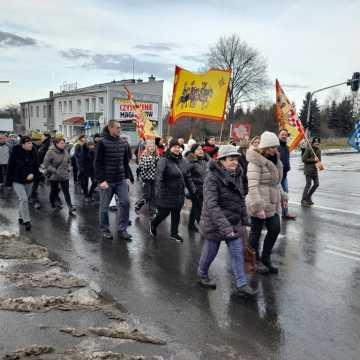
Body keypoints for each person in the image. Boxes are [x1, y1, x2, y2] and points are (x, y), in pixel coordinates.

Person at [197, 145, 257, 297]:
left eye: (236, 159)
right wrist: (226, 227)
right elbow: (212, 205)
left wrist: (245, 219)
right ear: (221, 161)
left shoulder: (238, 173)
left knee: (237, 253)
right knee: (210, 253)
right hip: (214, 224)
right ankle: (202, 274)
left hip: (233, 222)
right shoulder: (211, 177)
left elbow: (240, 199)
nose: (235, 162)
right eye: (231, 159)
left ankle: (241, 285)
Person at [246, 131, 287, 274]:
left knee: (275, 229)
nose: (275, 150)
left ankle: (265, 258)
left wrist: (283, 197)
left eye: (276, 147)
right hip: (259, 201)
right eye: (272, 147)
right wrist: (258, 207)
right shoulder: (255, 162)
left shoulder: (276, 160)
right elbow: (252, 186)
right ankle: (253, 261)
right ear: (264, 147)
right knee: (255, 233)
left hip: (273, 201)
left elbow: (276, 183)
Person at [150, 139, 196, 242]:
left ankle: (174, 234)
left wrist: (193, 190)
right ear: (169, 148)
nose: (177, 149)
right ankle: (154, 223)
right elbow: (159, 178)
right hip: (166, 193)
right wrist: (158, 193)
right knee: (163, 214)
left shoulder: (182, 161)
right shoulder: (163, 160)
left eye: (178, 147)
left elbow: (187, 177)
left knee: (176, 213)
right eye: (174, 147)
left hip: (179, 193)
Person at [95, 120, 133, 241]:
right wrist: (101, 180)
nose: (119, 130)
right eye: (117, 128)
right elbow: (97, 163)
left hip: (121, 180)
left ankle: (122, 229)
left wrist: (128, 177)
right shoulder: (102, 143)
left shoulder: (123, 143)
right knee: (104, 207)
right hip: (107, 181)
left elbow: (125, 162)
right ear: (110, 128)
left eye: (120, 128)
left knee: (125, 203)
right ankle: (105, 229)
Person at [6, 136, 39, 231]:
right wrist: (8, 183)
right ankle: (27, 221)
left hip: (29, 181)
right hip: (17, 180)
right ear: (22, 144)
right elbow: (10, 167)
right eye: (28, 143)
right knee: (23, 199)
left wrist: (33, 174)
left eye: (31, 143)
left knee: (25, 199)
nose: (31, 145)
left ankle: (21, 216)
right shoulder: (16, 152)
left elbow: (36, 165)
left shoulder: (34, 152)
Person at [43, 136, 76, 215]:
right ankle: (53, 202)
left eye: (64, 143)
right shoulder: (50, 152)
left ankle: (70, 207)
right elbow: (46, 164)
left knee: (66, 191)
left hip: (64, 175)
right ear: (56, 144)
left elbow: (69, 161)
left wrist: (69, 168)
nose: (63, 144)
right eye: (61, 143)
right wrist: (55, 170)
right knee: (54, 191)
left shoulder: (65, 151)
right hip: (54, 176)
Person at [185, 143, 208, 232]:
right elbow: (187, 177)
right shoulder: (191, 163)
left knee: (195, 207)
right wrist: (193, 189)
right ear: (193, 152)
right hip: (195, 190)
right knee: (199, 209)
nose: (201, 151)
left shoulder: (203, 161)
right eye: (198, 149)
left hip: (203, 189)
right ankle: (204, 229)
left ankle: (191, 225)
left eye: (201, 149)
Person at [135, 141, 159, 216]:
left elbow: (158, 167)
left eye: (153, 147)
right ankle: (138, 205)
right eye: (150, 147)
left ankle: (152, 210)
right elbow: (144, 168)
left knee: (153, 195)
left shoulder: (156, 156)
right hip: (146, 179)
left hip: (154, 179)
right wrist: (151, 159)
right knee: (147, 195)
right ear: (147, 148)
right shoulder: (144, 156)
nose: (152, 148)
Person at [278, 129, 296, 220]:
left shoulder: (287, 147)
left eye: (285, 135)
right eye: (282, 134)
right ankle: (268, 216)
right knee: (274, 196)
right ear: (279, 135)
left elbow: (287, 159)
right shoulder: (276, 147)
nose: (284, 136)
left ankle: (285, 213)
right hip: (277, 176)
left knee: (285, 193)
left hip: (284, 175)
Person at [301, 137, 321, 207]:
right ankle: (303, 200)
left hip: (315, 170)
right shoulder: (309, 149)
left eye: (318, 142)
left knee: (316, 184)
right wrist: (314, 160)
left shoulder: (318, 150)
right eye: (315, 142)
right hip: (308, 170)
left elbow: (318, 160)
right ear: (312, 143)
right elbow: (303, 159)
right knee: (308, 184)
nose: (317, 143)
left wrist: (320, 165)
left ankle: (308, 197)